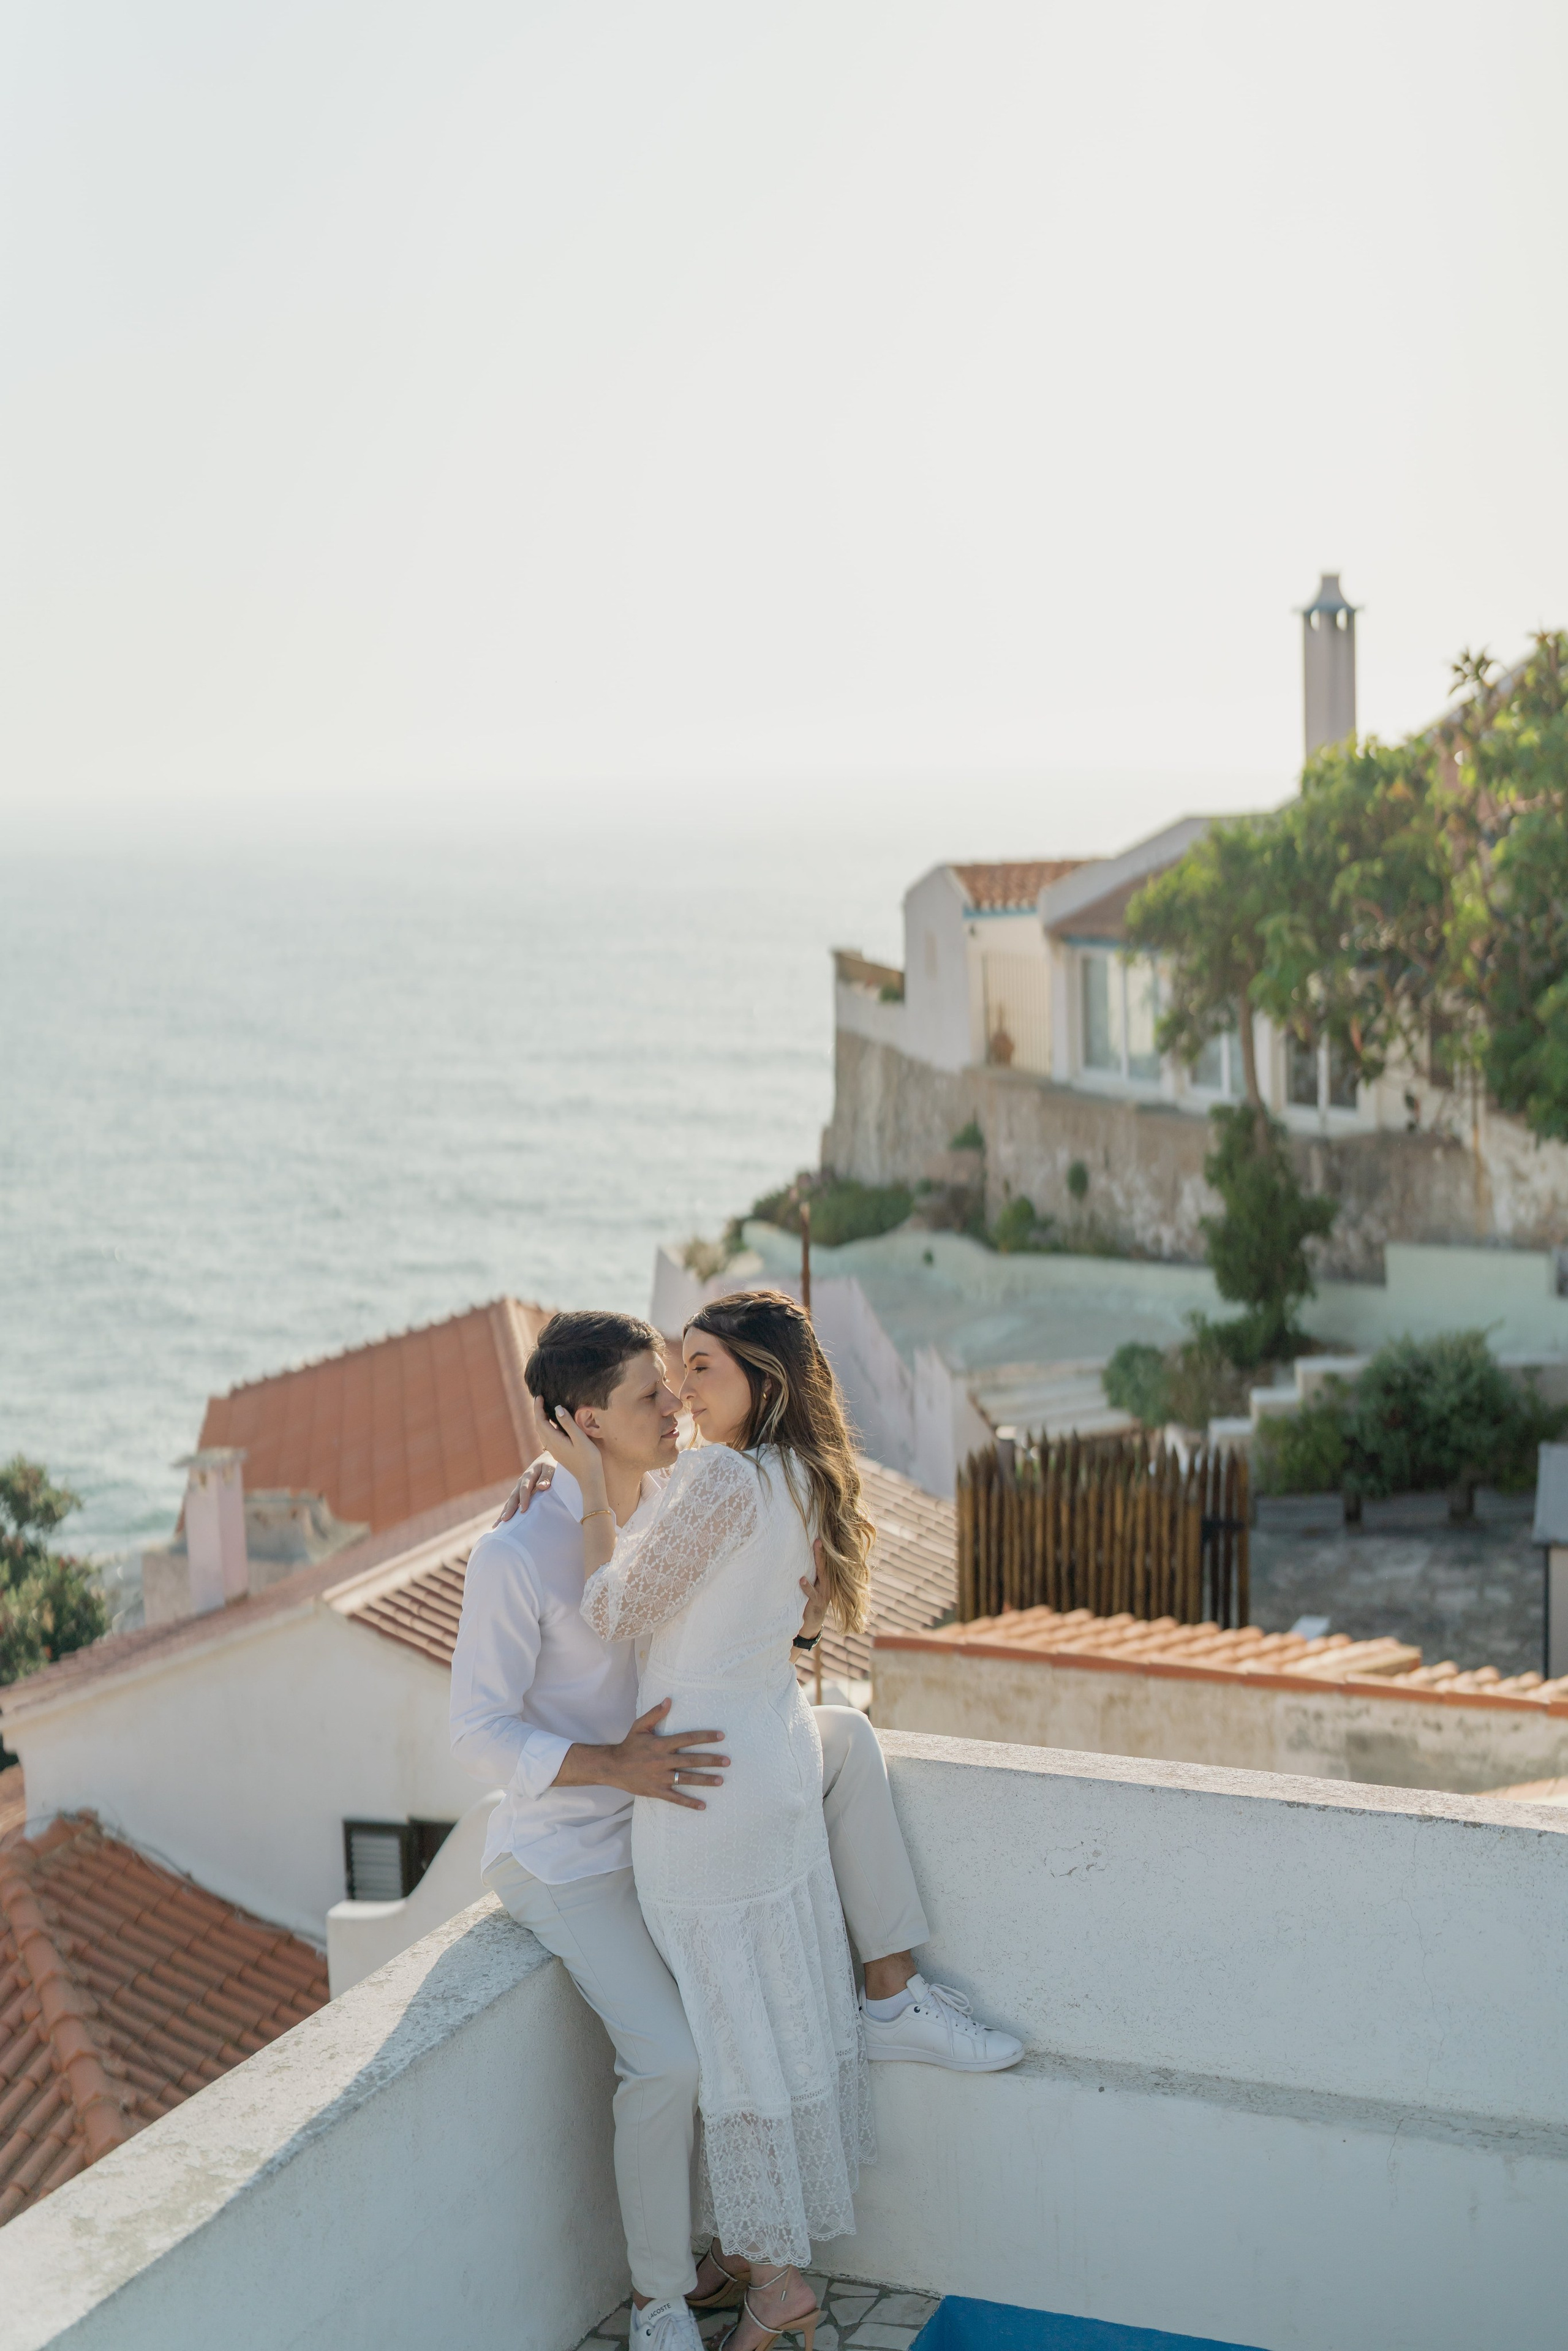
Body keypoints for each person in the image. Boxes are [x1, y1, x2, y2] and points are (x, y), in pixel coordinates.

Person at [450, 1308, 1020, 2351]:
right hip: (573, 1846)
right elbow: (476, 1732)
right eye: (651, 1396)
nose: (676, 1405)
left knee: (840, 1736)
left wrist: (796, 1617)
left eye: (679, 1384)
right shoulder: (516, 1553)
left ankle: (893, 1987)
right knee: (674, 2059)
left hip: (681, 1804)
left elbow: (728, 1601)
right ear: (582, 1423)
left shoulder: (680, 1493)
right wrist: (612, 1763)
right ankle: (663, 2302)